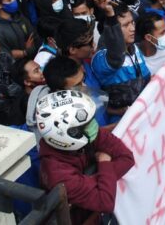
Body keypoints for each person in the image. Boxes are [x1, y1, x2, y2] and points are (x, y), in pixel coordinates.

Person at [36, 90, 134, 224]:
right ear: (70, 134)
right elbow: (104, 201)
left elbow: (127, 157)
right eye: (86, 124)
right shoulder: (56, 173)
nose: (94, 126)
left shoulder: (86, 134)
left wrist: (99, 182)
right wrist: (104, 164)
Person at [91, 0, 151, 122]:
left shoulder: (134, 48)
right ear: (110, 29)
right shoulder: (101, 59)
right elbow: (117, 57)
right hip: (121, 123)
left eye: (132, 22)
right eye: (125, 25)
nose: (133, 29)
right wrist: (110, 15)